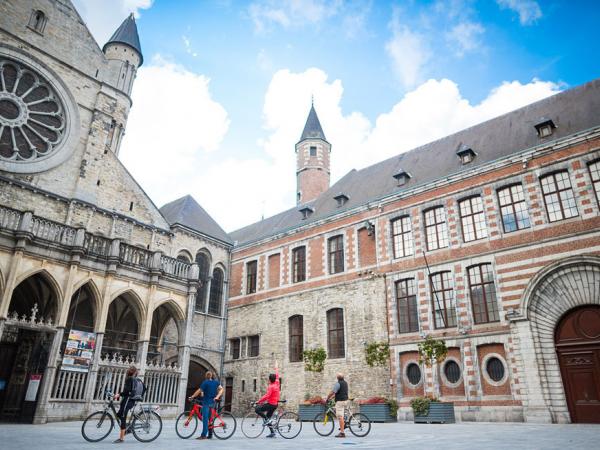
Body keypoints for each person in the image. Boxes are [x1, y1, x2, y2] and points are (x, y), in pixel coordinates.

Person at [113, 365, 145, 443]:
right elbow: (144, 389)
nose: (127, 371)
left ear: (129, 372)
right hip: (130, 400)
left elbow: (126, 392)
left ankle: (121, 438)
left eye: (129, 370)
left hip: (128, 401)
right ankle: (127, 428)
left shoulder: (130, 379)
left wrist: (119, 394)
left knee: (122, 417)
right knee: (119, 415)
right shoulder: (137, 379)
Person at [189, 371, 223, 440]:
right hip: (213, 403)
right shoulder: (216, 382)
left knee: (205, 419)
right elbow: (222, 389)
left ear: (206, 376)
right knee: (210, 419)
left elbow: (199, 391)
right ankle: (210, 434)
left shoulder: (205, 382)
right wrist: (217, 396)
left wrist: (192, 396)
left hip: (206, 403)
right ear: (212, 376)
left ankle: (203, 435)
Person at [255, 362, 280, 438]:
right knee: (268, 418)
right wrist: (276, 368)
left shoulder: (271, 386)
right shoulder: (277, 383)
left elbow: (267, 396)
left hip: (271, 404)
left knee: (257, 409)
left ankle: (267, 420)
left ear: (269, 380)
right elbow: (277, 375)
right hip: (275, 404)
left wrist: (258, 401)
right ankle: (272, 432)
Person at [326, 373, 349, 438]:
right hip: (346, 400)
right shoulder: (345, 383)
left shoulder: (338, 384)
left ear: (337, 378)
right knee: (341, 413)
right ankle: (344, 424)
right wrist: (332, 397)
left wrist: (328, 397)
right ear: (343, 377)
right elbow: (339, 392)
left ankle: (342, 433)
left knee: (340, 416)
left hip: (340, 401)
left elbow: (333, 392)